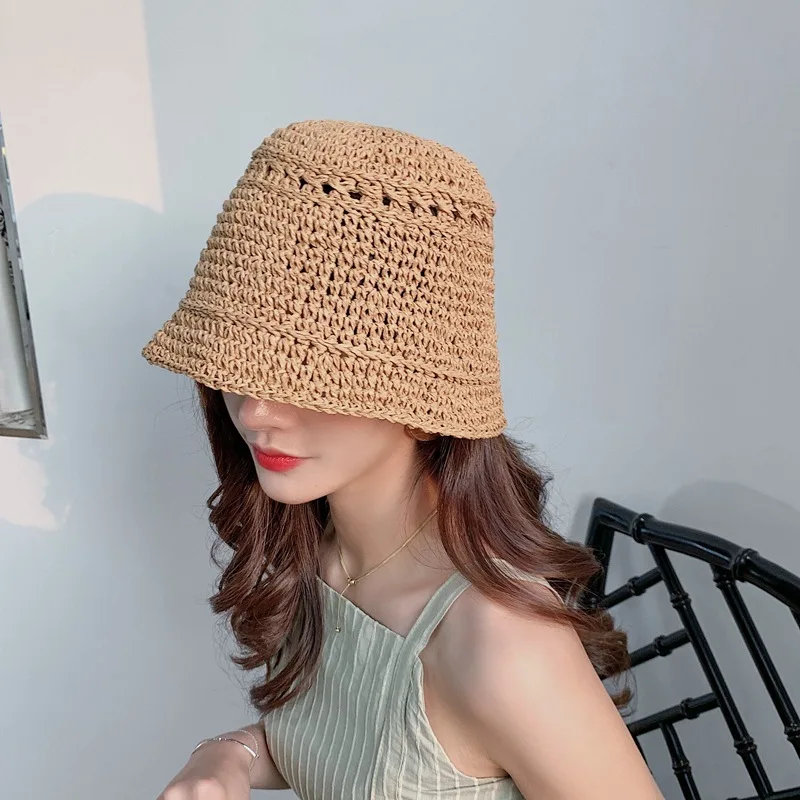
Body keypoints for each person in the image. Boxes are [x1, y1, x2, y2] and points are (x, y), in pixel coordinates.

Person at [144, 120, 662, 799]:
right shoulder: (326, 552)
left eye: (310, 377)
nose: (257, 411)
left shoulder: (501, 647)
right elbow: (347, 747)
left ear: (420, 405)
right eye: (240, 366)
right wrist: (229, 756)